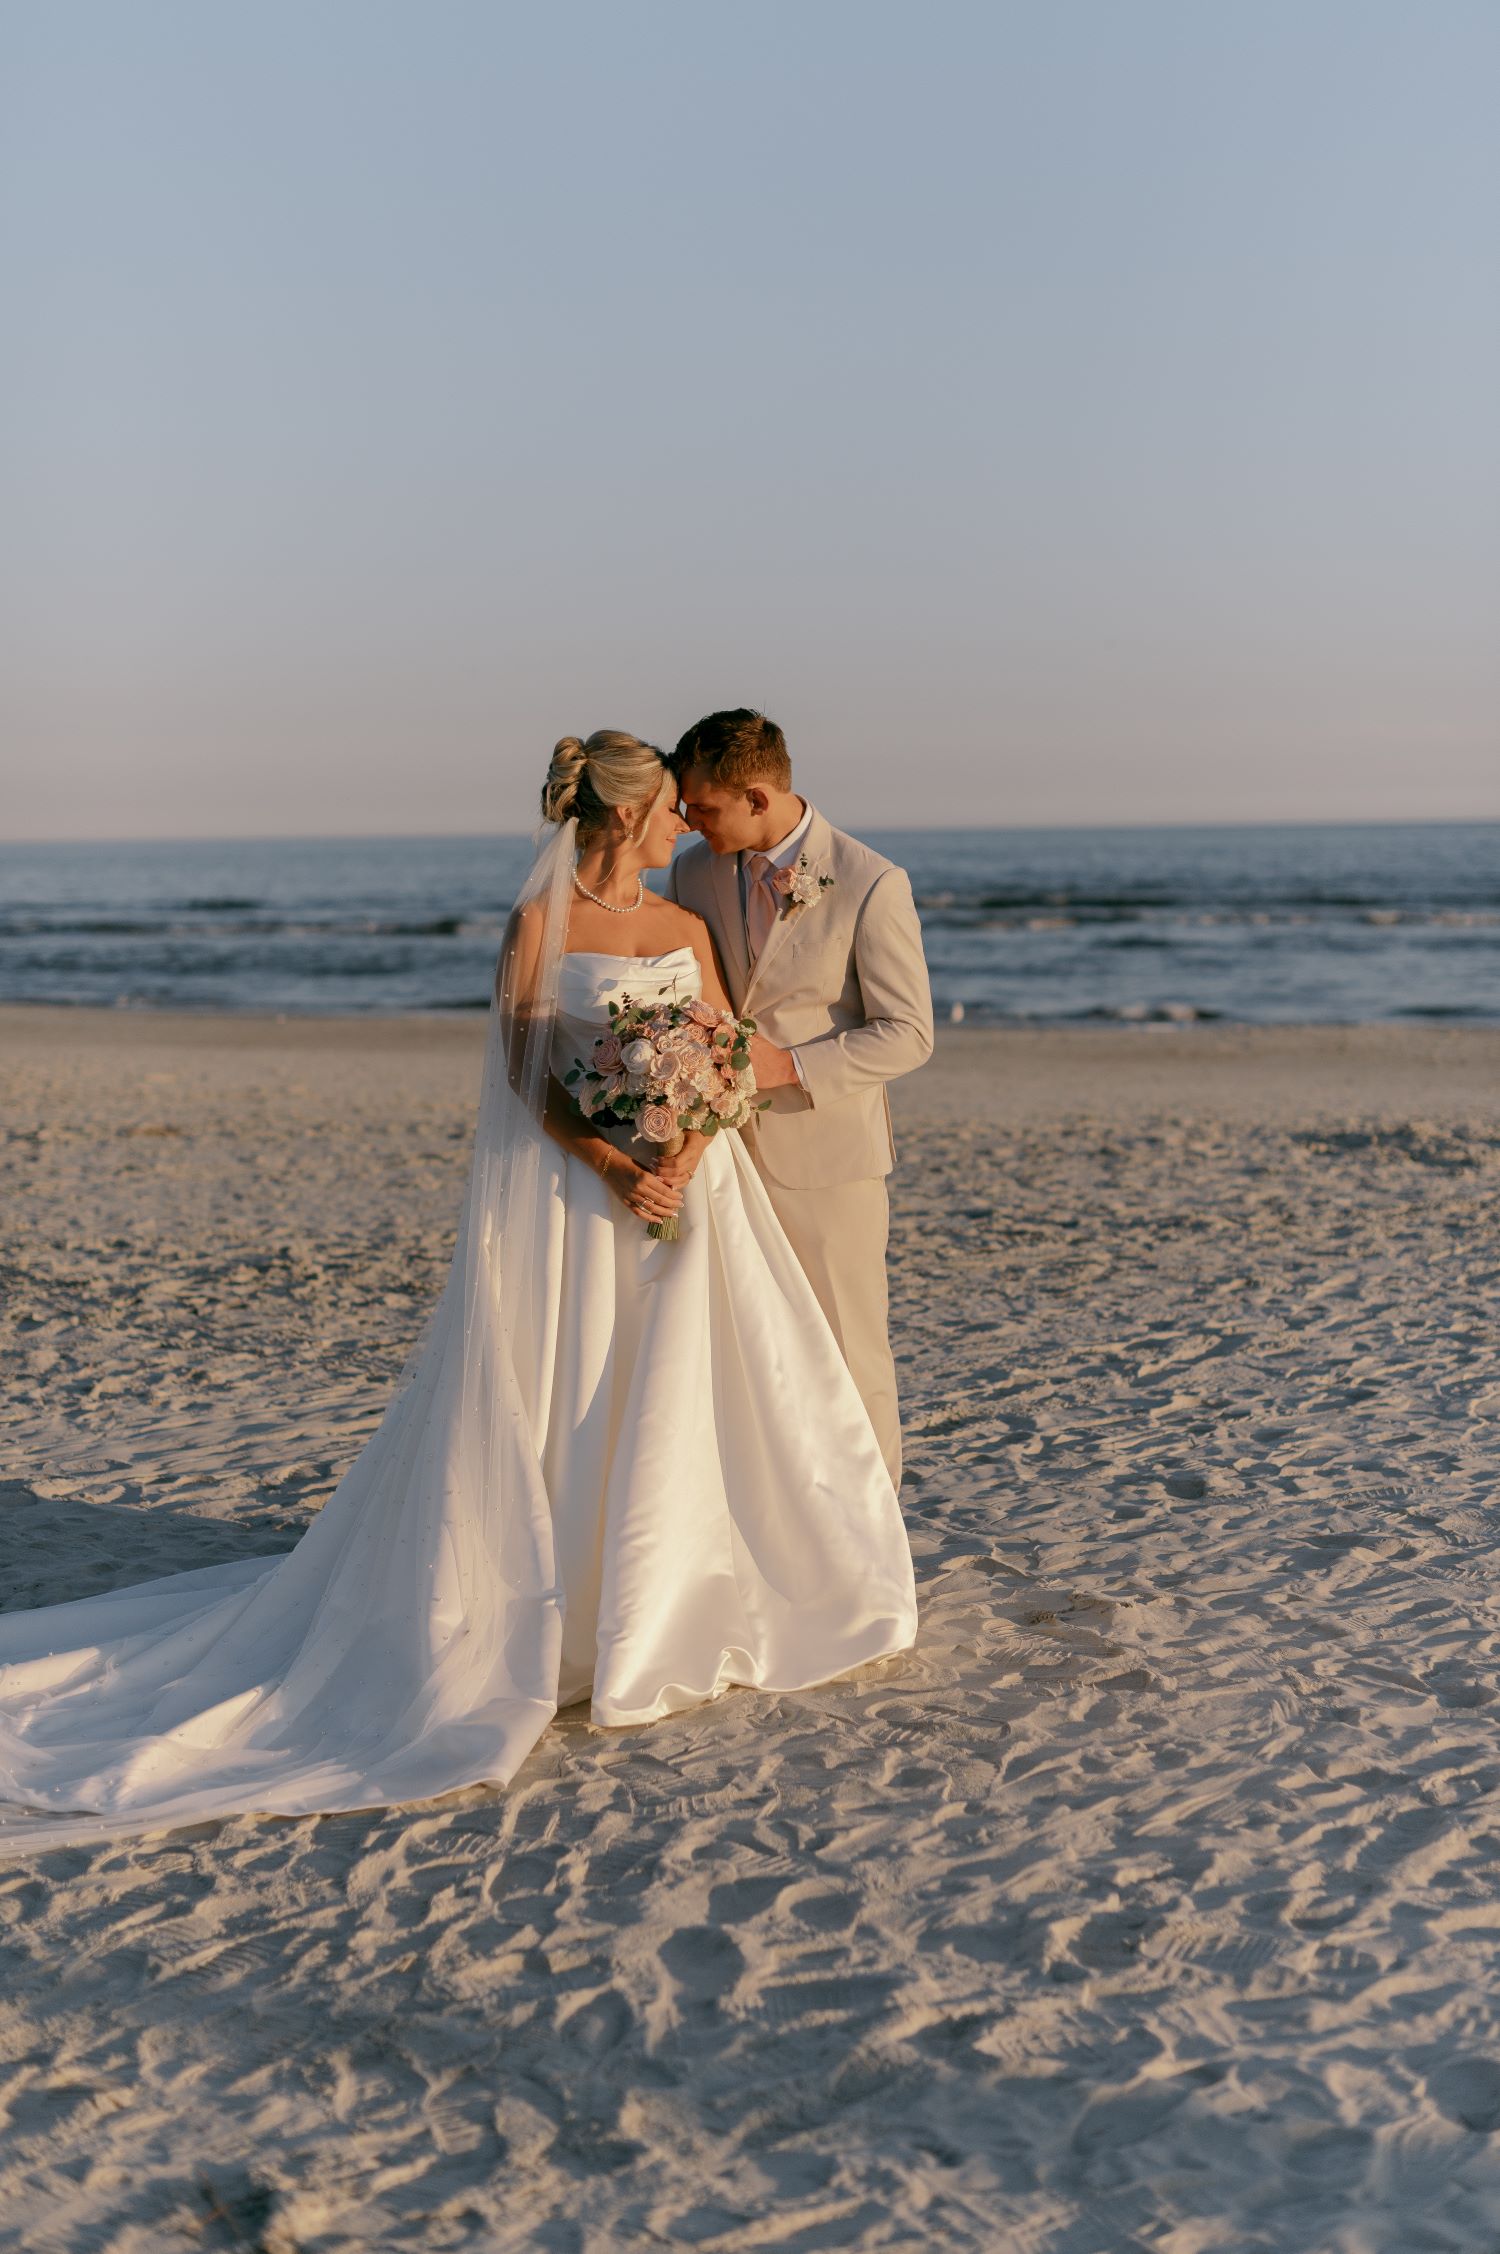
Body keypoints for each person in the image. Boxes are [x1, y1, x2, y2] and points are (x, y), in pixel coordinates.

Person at [0, 732, 916, 1851]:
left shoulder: (684, 922)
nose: (683, 825)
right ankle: (563, 1614)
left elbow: (721, 1048)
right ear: (628, 818)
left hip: (698, 1192)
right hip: (587, 1197)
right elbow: (527, 1077)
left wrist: (690, 1136)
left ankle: (678, 1598)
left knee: (693, 1388)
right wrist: (623, 1164)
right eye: (671, 809)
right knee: (572, 1387)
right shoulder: (542, 925)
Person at [667, 709, 934, 1485]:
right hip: (721, 1160)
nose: (688, 823)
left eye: (703, 808)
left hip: (826, 1165)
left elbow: (909, 1033)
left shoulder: (870, 881)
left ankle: (874, 1554)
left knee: (850, 1358)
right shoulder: (693, 873)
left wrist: (785, 1068)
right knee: (745, 1357)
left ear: (757, 795)